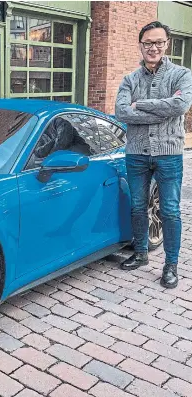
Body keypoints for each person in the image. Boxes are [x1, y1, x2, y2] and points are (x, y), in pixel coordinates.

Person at [115, 21, 192, 288]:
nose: (153, 48)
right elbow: (122, 112)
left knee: (170, 209)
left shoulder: (181, 74)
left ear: (167, 43)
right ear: (141, 44)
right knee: (138, 205)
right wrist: (161, 110)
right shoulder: (129, 80)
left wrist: (142, 105)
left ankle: (171, 265)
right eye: (148, 42)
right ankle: (141, 253)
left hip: (169, 154)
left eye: (159, 42)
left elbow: (180, 105)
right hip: (136, 153)